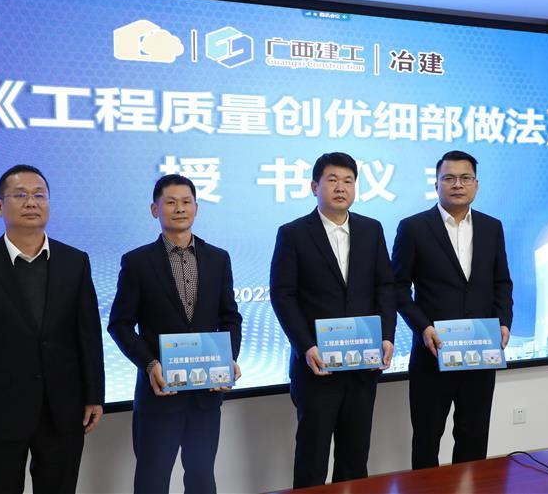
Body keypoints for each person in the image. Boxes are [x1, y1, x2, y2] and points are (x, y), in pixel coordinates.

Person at [0, 165, 105, 493]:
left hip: (63, 411)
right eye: (20, 195)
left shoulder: (75, 262)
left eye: (39, 195)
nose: (31, 202)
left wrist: (94, 395)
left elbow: (89, 335)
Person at [108, 174, 242, 494]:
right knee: (152, 481)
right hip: (159, 395)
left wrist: (227, 359)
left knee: (202, 479)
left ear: (196, 207)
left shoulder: (218, 258)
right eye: (170, 202)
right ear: (155, 209)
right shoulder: (137, 262)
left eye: (186, 202)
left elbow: (230, 317)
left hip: (206, 395)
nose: (179, 208)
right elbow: (120, 324)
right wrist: (150, 363)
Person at [270, 152, 397, 488]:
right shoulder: (294, 233)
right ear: (315, 186)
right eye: (332, 180)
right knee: (312, 457)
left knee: (355, 456)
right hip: (317, 365)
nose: (341, 187)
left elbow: (385, 286)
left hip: (363, 364)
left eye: (348, 181)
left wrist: (386, 336)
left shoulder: (371, 230)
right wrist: (305, 345)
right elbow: (283, 295)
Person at [390, 150, 513, 469]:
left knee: (474, 439)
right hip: (433, 353)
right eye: (449, 178)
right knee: (427, 441)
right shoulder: (413, 228)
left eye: (465, 178)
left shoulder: (492, 227)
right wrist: (423, 327)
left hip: (481, 352)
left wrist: (504, 322)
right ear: (436, 184)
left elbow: (502, 282)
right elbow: (397, 288)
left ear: (476, 185)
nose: (458, 184)